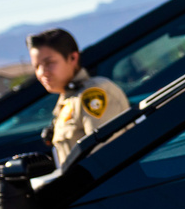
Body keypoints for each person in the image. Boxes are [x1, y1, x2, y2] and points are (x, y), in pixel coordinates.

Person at [26, 28, 128, 165]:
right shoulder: (69, 100)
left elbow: (105, 158)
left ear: (73, 58)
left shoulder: (93, 93)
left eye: (49, 63)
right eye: (37, 66)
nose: (42, 72)